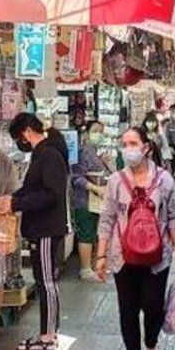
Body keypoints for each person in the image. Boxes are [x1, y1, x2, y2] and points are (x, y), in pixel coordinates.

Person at [95, 127, 175, 350]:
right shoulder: (116, 181)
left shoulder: (165, 180)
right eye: (124, 144)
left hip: (157, 257)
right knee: (128, 308)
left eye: (133, 143)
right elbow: (107, 219)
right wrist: (101, 256)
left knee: (153, 305)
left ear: (146, 147)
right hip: (122, 256)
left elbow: (172, 217)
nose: (128, 149)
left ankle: (151, 346)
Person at [0, 112, 71, 350]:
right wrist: (13, 199)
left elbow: (51, 194)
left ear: (27, 132)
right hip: (41, 227)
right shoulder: (44, 153)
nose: (19, 143)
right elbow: (32, 188)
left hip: (46, 228)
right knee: (45, 280)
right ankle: (49, 332)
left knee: (46, 282)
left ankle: (47, 336)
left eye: (18, 137)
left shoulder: (49, 154)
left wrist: (16, 204)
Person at [71, 120, 110, 282]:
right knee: (86, 233)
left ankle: (94, 266)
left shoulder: (93, 152)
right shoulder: (81, 152)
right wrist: (95, 188)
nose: (98, 135)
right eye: (95, 131)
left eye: (101, 131)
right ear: (86, 133)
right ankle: (85, 268)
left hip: (96, 202)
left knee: (93, 232)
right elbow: (76, 178)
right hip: (84, 200)